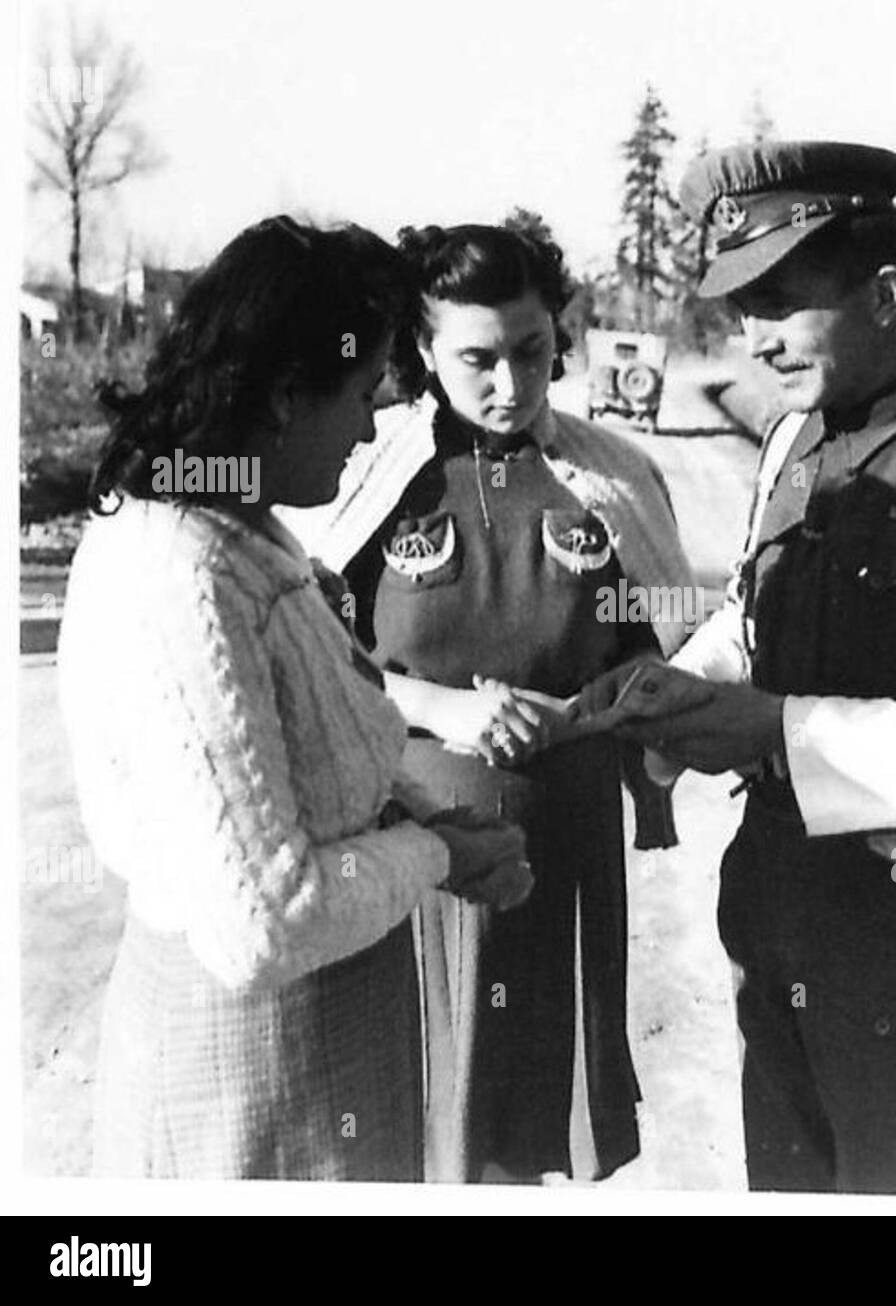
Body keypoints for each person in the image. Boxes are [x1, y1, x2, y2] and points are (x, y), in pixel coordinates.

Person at [583, 141, 896, 1194]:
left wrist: (771, 731)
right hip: (774, 920)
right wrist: (683, 685)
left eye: (781, 303)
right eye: (740, 311)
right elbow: (749, 614)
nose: (756, 340)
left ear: (884, 291)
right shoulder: (790, 438)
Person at [59, 215, 530, 1181]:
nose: (368, 430)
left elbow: (307, 761)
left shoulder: (240, 524)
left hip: (321, 1050)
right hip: (245, 1072)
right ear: (282, 397)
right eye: (360, 399)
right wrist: (434, 851)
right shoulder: (183, 575)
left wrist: (423, 819)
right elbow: (262, 925)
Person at [282, 222, 696, 1183]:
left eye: (532, 351)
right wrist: (441, 707)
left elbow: (672, 654)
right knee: (421, 1131)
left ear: (561, 336)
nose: (510, 384)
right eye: (477, 358)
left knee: (532, 1140)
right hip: (412, 863)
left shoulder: (613, 476)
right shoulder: (361, 471)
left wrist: (584, 711)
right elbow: (307, 666)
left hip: (564, 859)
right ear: (423, 352)